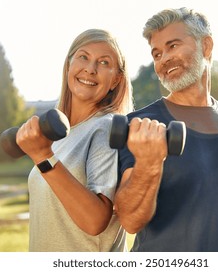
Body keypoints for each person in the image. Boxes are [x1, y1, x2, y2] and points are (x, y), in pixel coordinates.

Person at [114, 8, 218, 252]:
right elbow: (130, 221)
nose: (164, 59)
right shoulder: (140, 125)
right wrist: (148, 163)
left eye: (173, 46)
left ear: (206, 46)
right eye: (157, 53)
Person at [16, 29, 133, 251]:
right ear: (69, 65)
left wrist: (42, 156)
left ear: (116, 79)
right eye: (83, 57)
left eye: (104, 62)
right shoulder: (59, 137)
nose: (90, 68)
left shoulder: (107, 128)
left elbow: (95, 221)